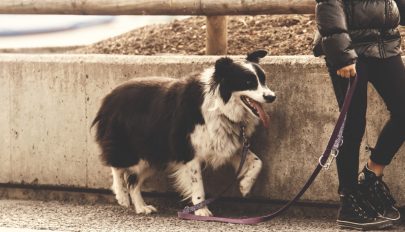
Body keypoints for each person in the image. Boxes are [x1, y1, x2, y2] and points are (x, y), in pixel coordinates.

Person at [313, 0, 405, 230]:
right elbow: (328, 4)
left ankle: (371, 178)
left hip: (385, 45)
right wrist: (341, 55)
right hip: (351, 48)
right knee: (353, 124)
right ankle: (349, 201)